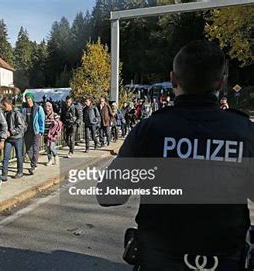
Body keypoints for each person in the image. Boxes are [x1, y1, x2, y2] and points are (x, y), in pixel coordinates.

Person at [97, 40, 254, 270]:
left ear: (173, 79)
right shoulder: (245, 132)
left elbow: (109, 194)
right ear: (220, 83)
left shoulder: (150, 130)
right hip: (223, 262)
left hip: (159, 261)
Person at [1, 96, 26, 180]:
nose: (3, 107)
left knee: (19, 155)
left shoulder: (17, 113)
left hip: (17, 138)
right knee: (6, 156)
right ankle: (4, 173)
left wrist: (11, 132)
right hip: (8, 139)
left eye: (4, 105)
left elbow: (21, 126)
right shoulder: (4, 113)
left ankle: (20, 172)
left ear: (9, 104)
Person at [21, 92, 45, 175]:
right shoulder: (23, 108)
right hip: (27, 131)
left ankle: (33, 165)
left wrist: (41, 130)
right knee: (28, 149)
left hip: (36, 131)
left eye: (29, 98)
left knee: (35, 148)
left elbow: (42, 120)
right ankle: (33, 162)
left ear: (32, 99)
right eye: (27, 99)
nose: (28, 100)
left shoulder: (38, 108)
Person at [43, 101, 63, 166]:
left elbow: (59, 124)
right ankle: (50, 160)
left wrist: (58, 133)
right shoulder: (44, 115)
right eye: (46, 107)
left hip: (52, 135)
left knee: (51, 147)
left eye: (49, 107)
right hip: (46, 134)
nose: (47, 109)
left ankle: (56, 157)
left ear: (51, 108)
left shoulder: (55, 115)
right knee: (47, 148)